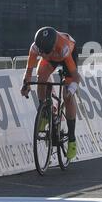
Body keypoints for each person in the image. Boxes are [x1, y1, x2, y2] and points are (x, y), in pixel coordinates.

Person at [21, 27, 80, 160]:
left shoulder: (64, 48)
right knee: (41, 78)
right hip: (54, 56)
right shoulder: (36, 47)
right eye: (42, 52)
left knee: (67, 95)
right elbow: (28, 71)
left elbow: (76, 77)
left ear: (52, 47)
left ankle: (71, 139)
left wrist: (71, 90)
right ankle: (46, 112)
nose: (44, 55)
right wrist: (25, 84)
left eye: (46, 52)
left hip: (67, 55)